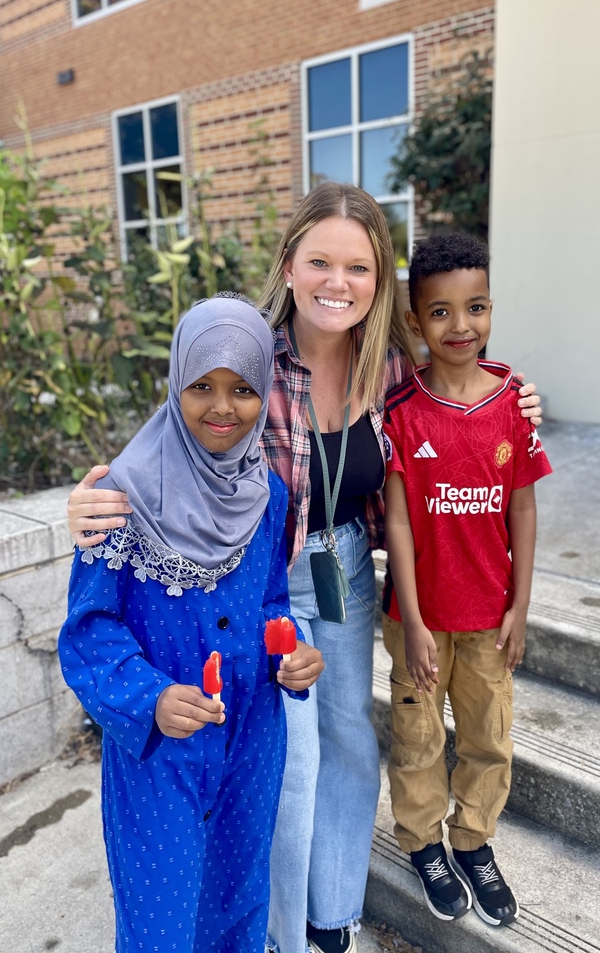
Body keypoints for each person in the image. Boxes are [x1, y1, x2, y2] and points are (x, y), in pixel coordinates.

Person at [65, 183, 543, 953]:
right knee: (291, 759)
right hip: (259, 575)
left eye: (359, 267)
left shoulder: (390, 366)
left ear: (380, 281)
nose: (338, 282)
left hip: (344, 565)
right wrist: (91, 501)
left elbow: (464, 389)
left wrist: (519, 403)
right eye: (320, 262)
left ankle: (332, 915)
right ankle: (279, 931)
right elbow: (178, 430)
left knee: (351, 742)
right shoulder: (251, 350)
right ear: (289, 265)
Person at [59, 295, 324, 953]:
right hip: (161, 751)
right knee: (161, 917)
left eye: (243, 389)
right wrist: (150, 697)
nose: (222, 407)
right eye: (202, 385)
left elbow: (270, 603)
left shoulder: (268, 495)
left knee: (237, 899)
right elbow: (90, 633)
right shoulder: (119, 497)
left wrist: (291, 654)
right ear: (176, 381)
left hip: (252, 735)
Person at [382, 233, 552, 930]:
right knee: (418, 738)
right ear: (416, 321)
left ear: (490, 308)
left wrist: (521, 607)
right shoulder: (401, 411)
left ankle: (474, 841)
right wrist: (414, 622)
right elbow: (396, 523)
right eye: (441, 312)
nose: (461, 326)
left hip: (490, 616)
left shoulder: (513, 404)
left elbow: (523, 509)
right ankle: (424, 843)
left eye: (475, 307)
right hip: (418, 620)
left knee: (488, 736)